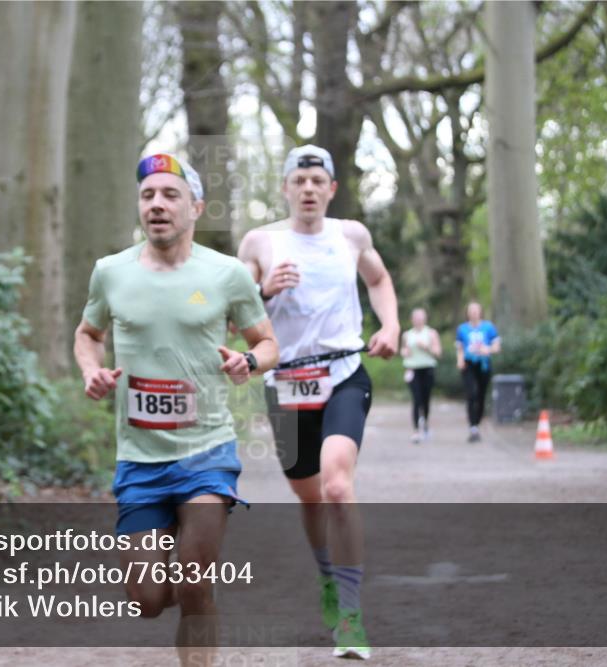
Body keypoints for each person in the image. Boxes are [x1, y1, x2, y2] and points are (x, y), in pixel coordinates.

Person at [74, 153, 279, 667]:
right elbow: (88, 334)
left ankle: (197, 597)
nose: (157, 205)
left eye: (170, 195)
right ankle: (184, 585)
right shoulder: (110, 272)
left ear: (196, 208)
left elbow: (267, 342)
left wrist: (249, 361)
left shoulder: (227, 273)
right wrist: (91, 369)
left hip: (206, 452)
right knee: (146, 601)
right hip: (139, 458)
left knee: (193, 584)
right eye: (148, 196)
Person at [237, 144, 399, 660]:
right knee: (309, 496)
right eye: (298, 180)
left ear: (331, 189)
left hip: (345, 374)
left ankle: (350, 615)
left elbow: (379, 279)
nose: (307, 189)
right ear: (285, 188)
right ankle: (328, 577)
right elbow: (232, 312)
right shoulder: (259, 242)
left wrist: (391, 325)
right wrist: (263, 290)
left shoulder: (351, 235)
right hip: (286, 383)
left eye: (316, 181)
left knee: (336, 486)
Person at [455, 301, 501, 442]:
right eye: (471, 310)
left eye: (476, 310)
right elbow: (460, 348)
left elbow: (496, 347)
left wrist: (487, 349)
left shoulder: (488, 327)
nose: (474, 313)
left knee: (481, 395)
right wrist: (460, 360)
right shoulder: (462, 329)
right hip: (468, 364)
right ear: (467, 313)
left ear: (480, 312)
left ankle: (477, 421)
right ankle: (473, 426)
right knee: (471, 394)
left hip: (483, 364)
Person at [401, 308, 441, 443]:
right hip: (412, 369)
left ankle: (426, 423)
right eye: (415, 317)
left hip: (428, 368)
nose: (418, 320)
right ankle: (416, 430)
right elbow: (403, 349)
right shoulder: (407, 334)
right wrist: (404, 352)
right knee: (416, 399)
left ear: (425, 319)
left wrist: (426, 347)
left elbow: (438, 352)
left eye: (420, 317)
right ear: (412, 319)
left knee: (425, 399)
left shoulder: (431, 333)